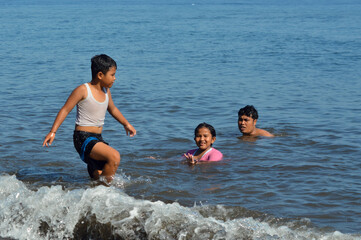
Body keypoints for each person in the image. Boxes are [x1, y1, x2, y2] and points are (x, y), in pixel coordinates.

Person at [42, 54, 136, 183]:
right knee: (114, 157)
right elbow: (65, 109)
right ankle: (106, 191)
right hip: (83, 137)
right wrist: (53, 131)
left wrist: (126, 124)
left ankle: (96, 182)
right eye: (112, 75)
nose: (115, 78)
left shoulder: (106, 91)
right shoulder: (83, 90)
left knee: (99, 175)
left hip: (98, 138)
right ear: (100, 75)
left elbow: (112, 109)